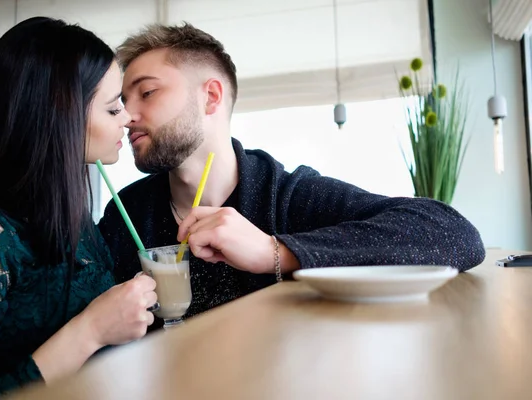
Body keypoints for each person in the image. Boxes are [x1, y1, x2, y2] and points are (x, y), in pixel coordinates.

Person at [99, 23, 486, 330]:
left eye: (146, 93)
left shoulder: (287, 196)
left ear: (211, 97)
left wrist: (275, 252)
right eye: (121, 102)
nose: (128, 115)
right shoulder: (125, 215)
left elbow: (453, 234)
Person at [0, 17, 158, 399]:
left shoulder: (70, 219)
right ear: (60, 118)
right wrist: (90, 331)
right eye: (112, 107)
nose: (128, 117)